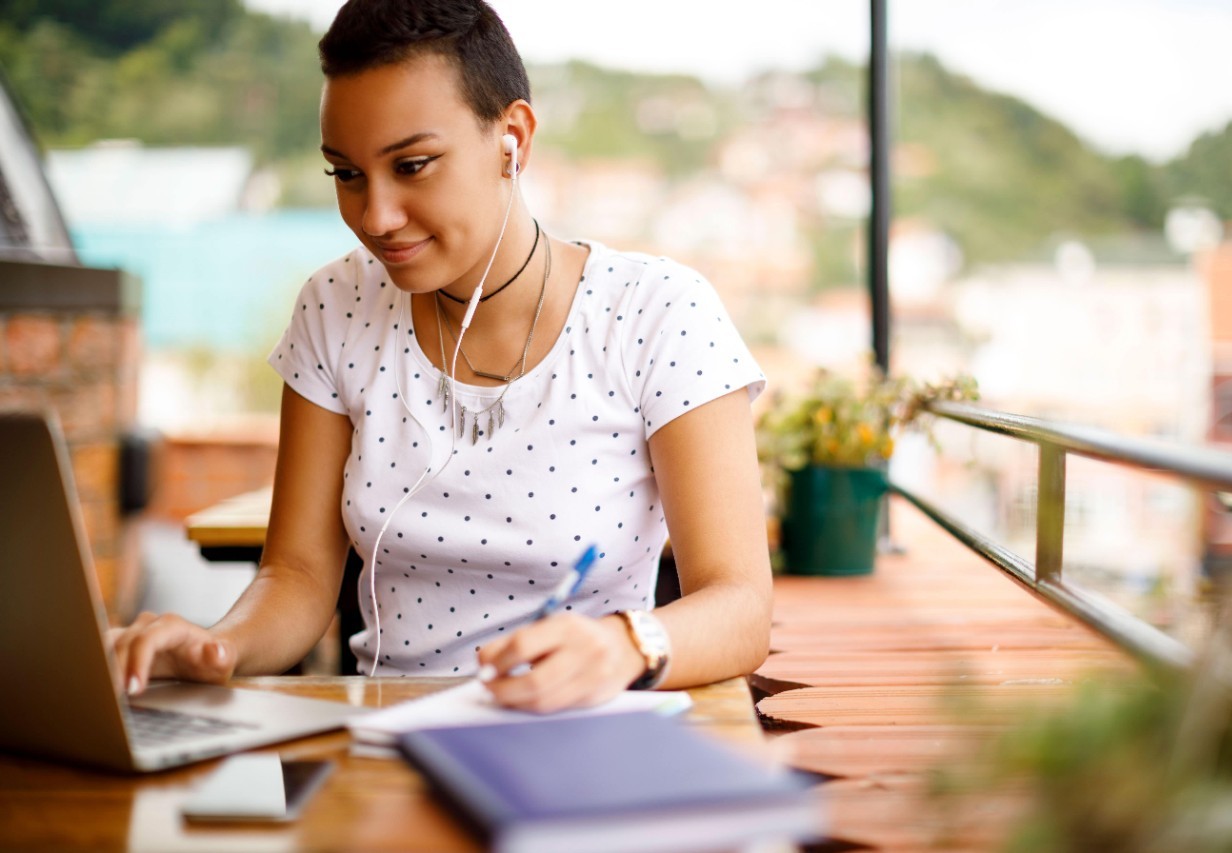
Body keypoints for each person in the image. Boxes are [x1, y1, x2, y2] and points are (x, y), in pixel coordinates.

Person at [110, 0, 772, 712]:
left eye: (413, 165)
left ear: (512, 137)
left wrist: (623, 645)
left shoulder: (657, 312)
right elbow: (299, 573)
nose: (376, 217)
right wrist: (221, 645)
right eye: (347, 174)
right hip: (380, 748)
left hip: (582, 742)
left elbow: (739, 605)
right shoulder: (334, 306)